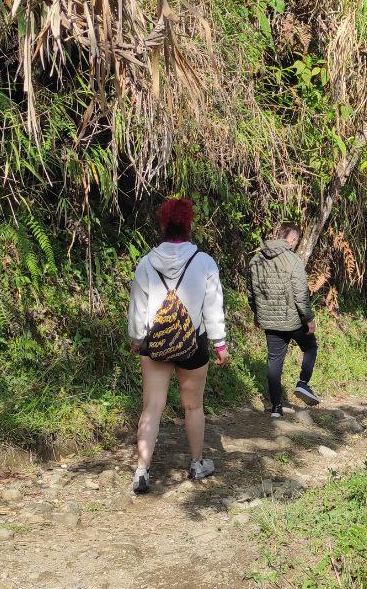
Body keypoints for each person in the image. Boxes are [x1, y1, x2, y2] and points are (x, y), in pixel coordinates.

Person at [127, 198, 228, 493]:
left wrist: (136, 338)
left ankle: (142, 471)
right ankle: (197, 465)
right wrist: (219, 343)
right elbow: (214, 308)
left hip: (154, 343)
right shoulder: (204, 262)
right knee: (193, 405)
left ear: (162, 224)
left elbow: (138, 307)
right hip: (193, 343)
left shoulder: (146, 262)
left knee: (153, 406)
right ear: (188, 225)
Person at [247, 223, 321, 418]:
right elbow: (300, 294)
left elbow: (252, 293)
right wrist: (309, 319)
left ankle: (276, 408)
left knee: (274, 362)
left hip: (270, 322)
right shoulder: (292, 260)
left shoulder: (255, 260)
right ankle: (303, 383)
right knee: (310, 347)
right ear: (293, 239)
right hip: (293, 321)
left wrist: (257, 314)